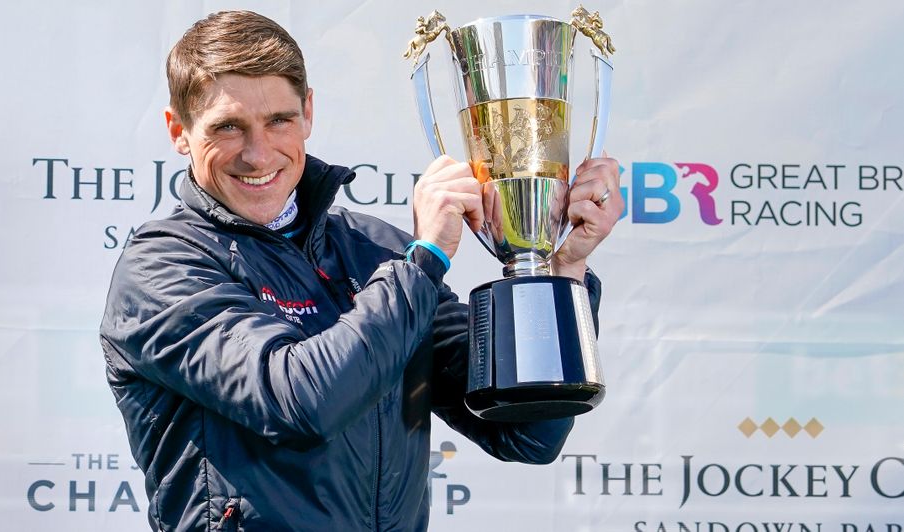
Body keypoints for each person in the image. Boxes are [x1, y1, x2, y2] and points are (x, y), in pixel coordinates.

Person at [100, 10, 623, 532]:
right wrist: (425, 262)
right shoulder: (162, 267)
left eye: (278, 120)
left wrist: (560, 271)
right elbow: (302, 402)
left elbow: (526, 434)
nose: (258, 154)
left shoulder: (373, 251)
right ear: (179, 131)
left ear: (308, 112)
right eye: (228, 127)